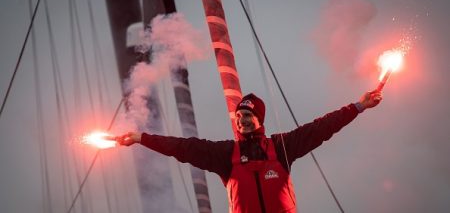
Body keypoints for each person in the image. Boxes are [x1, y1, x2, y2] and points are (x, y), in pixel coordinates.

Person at [117, 90, 382, 213]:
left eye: (248, 115)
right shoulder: (225, 154)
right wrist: (142, 138)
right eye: (239, 115)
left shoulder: (281, 147)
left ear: (259, 119)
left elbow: (321, 128)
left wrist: (358, 106)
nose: (242, 120)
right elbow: (184, 148)